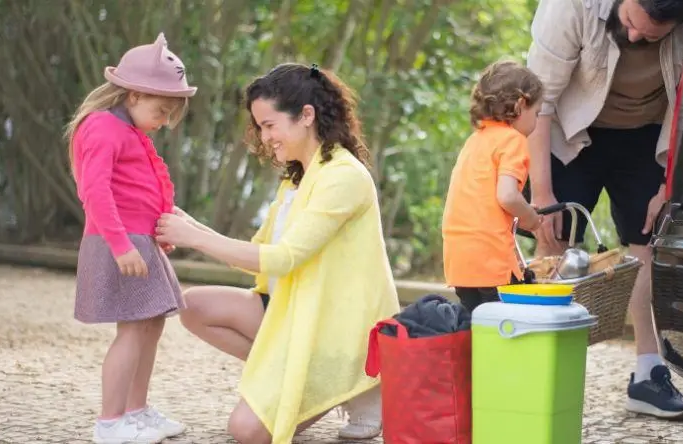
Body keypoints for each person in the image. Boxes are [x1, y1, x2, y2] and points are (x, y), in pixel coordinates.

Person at [154, 63, 401, 444]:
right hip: (289, 308)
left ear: (306, 116)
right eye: (260, 127)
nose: (265, 136)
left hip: (332, 328)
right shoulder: (296, 177)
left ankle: (353, 384)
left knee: (247, 432)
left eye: (270, 125)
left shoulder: (343, 176)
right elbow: (258, 253)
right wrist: (192, 227)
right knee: (193, 307)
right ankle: (299, 380)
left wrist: (194, 238)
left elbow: (285, 258)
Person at [525, 0, 683, 420]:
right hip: (571, 130)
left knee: (648, 243)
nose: (638, 38)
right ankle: (532, 372)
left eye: (653, 36)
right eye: (631, 24)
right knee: (553, 240)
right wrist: (543, 194)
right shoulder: (571, 7)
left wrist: (667, 184)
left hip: (646, 135)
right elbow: (539, 99)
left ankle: (648, 374)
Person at [66, 33, 196, 443]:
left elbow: (138, 189)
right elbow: (96, 192)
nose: (163, 121)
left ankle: (136, 412)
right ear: (135, 94)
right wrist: (121, 245)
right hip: (117, 242)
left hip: (140, 240)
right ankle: (110, 423)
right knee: (133, 329)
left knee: (150, 323)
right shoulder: (103, 128)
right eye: (161, 110)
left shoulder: (130, 131)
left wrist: (156, 233)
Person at [442, 60, 544, 313]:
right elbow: (507, 196)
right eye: (538, 113)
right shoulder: (513, 140)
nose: (538, 121)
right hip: (492, 261)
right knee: (507, 331)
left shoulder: (475, 141)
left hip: (459, 259)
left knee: (478, 331)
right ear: (521, 106)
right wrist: (531, 218)